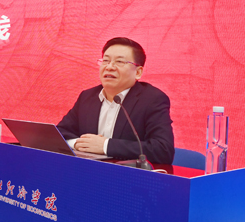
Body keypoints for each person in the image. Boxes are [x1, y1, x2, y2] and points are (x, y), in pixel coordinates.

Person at [57, 37, 174, 165]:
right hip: (88, 171)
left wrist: (105, 146)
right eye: (106, 60)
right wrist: (79, 144)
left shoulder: (152, 99)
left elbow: (163, 150)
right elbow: (59, 134)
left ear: (138, 72)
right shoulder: (87, 97)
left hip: (126, 175)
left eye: (119, 62)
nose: (109, 67)